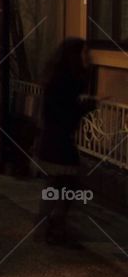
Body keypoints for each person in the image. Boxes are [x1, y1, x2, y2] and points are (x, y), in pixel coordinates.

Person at [34, 37, 93, 246]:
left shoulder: (58, 79)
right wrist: (85, 107)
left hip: (52, 141)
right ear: (74, 57)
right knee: (65, 185)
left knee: (58, 185)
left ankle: (48, 228)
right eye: (85, 53)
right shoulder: (66, 82)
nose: (89, 57)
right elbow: (66, 115)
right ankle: (52, 228)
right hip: (58, 143)